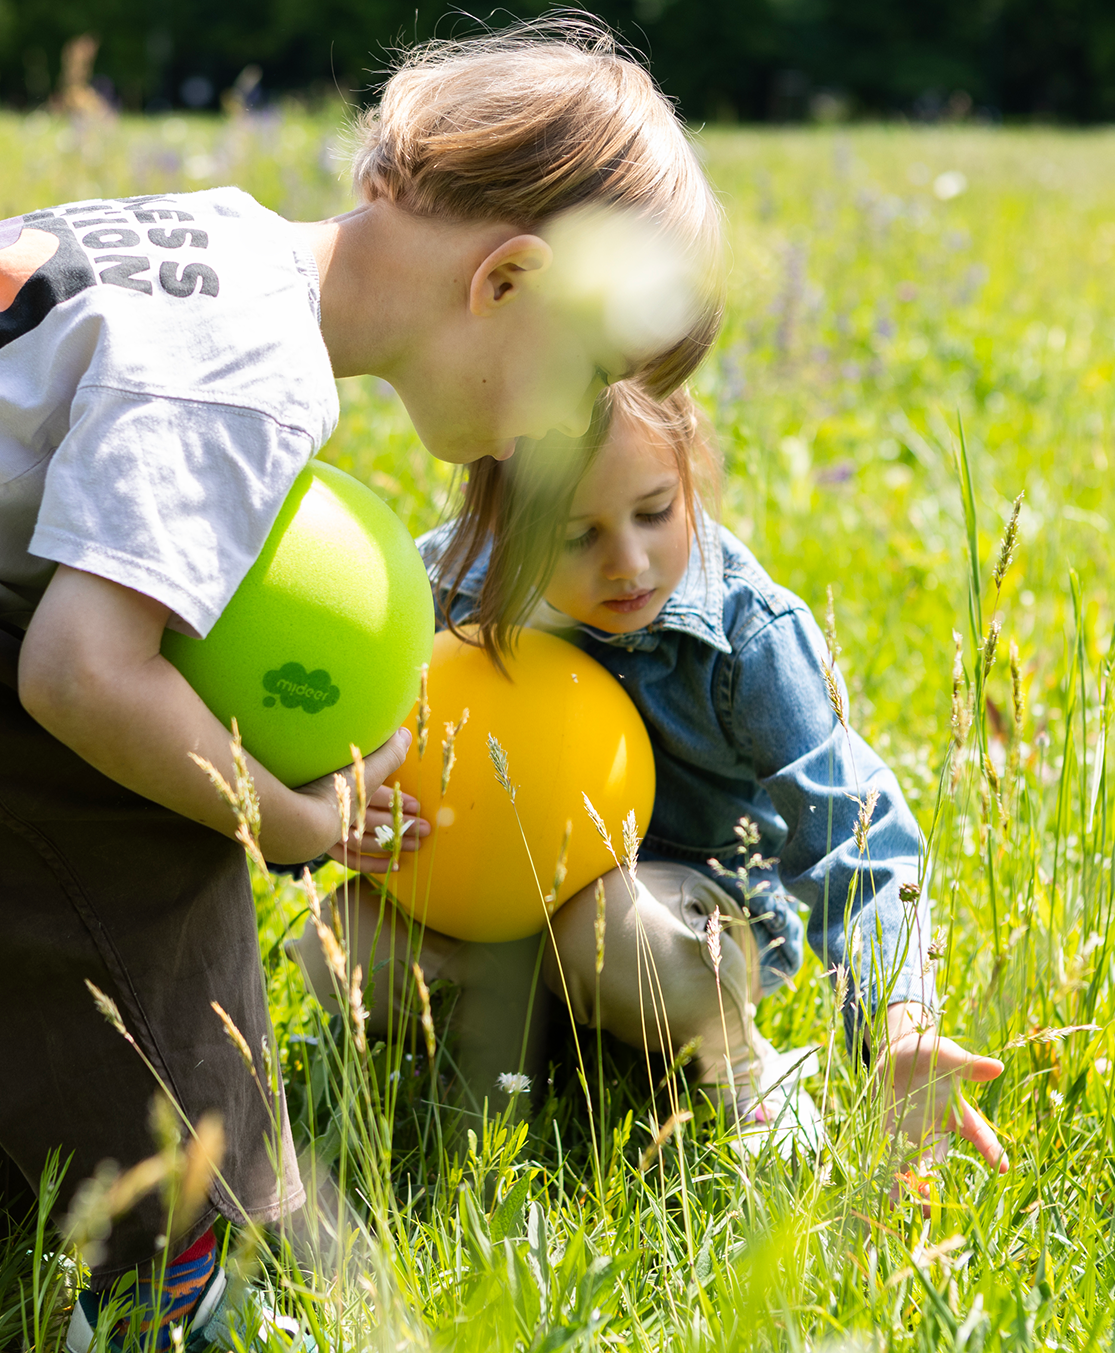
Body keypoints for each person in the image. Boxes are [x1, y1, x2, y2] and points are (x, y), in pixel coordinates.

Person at [0, 20, 721, 1353]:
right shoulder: (254, 378)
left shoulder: (214, 246)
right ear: (507, 282)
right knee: (135, 852)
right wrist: (288, 818)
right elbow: (83, 676)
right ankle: (176, 1284)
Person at [293, 383, 1008, 1176]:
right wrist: (344, 812)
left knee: (621, 929)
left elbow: (854, 833)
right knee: (337, 946)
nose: (627, 562)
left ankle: (737, 1064)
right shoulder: (443, 590)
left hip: (674, 922)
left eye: (656, 510)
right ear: (503, 524)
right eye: (575, 534)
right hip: (492, 917)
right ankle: (518, 1053)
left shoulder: (748, 632)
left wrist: (899, 1022)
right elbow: (333, 745)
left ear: (692, 474)